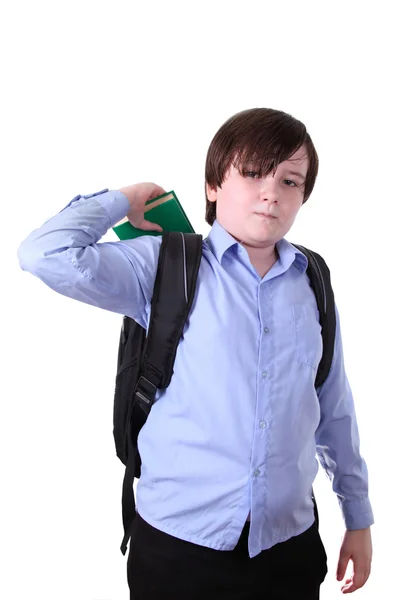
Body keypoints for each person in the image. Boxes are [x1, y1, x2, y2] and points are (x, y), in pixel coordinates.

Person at [17, 107, 373, 599]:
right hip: (178, 548)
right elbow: (43, 254)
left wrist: (357, 517)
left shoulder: (313, 279)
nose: (271, 192)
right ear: (213, 185)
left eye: (291, 180)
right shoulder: (165, 264)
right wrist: (126, 198)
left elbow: (332, 407)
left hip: (288, 547)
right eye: (251, 173)